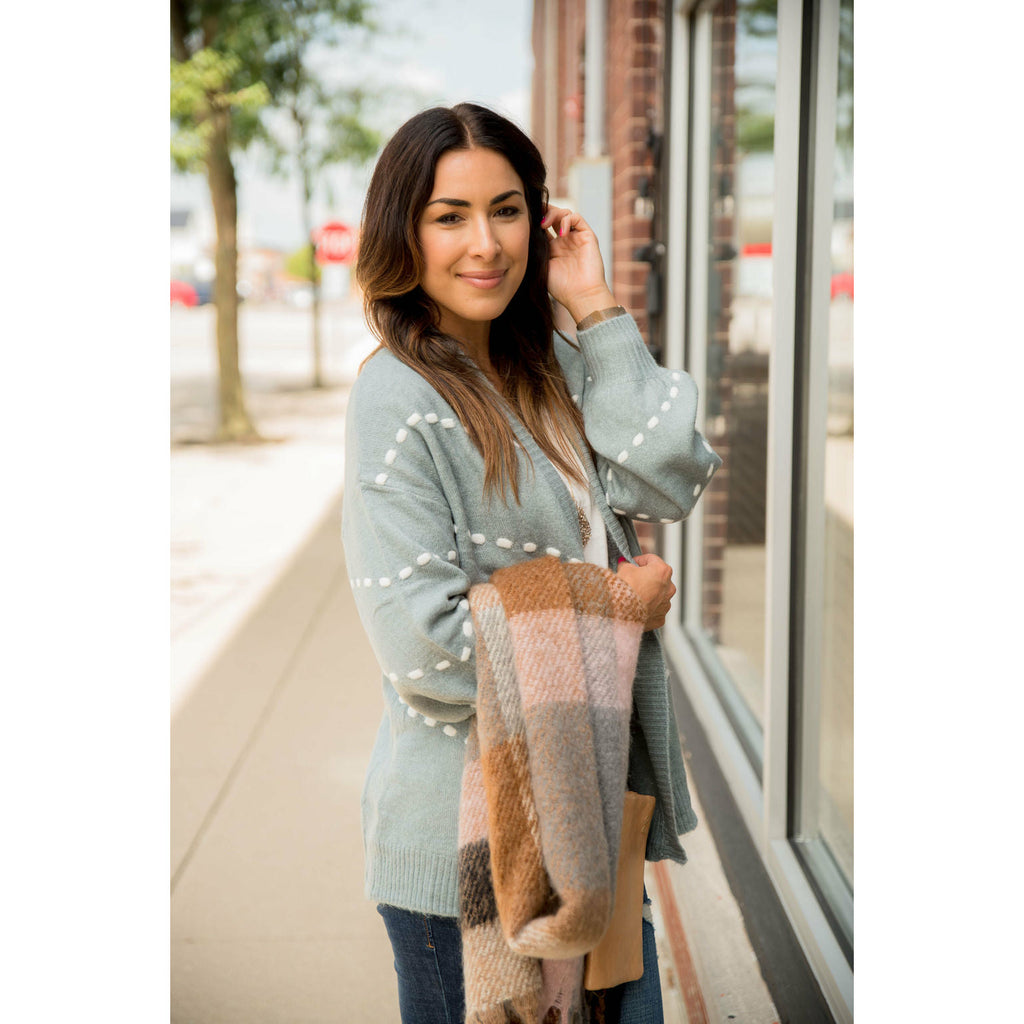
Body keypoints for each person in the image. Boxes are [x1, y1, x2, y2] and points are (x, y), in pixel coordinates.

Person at [342, 102, 721, 1024]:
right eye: (449, 215)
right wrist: (614, 607)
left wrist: (594, 307)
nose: (487, 244)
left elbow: (671, 477)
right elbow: (422, 648)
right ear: (406, 233)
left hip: (589, 812)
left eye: (507, 210)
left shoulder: (551, 362)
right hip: (467, 850)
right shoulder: (397, 395)